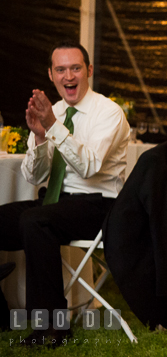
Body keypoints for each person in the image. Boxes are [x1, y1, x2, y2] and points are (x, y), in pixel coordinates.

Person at [0, 42, 129, 347]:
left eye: (76, 68)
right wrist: (43, 137)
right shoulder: (52, 112)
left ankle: (53, 327)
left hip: (99, 205)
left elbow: (88, 166)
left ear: (89, 71)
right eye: (61, 69)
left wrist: (54, 127)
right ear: (51, 74)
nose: (68, 75)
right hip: (55, 202)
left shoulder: (108, 112)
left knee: (35, 220)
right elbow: (33, 175)